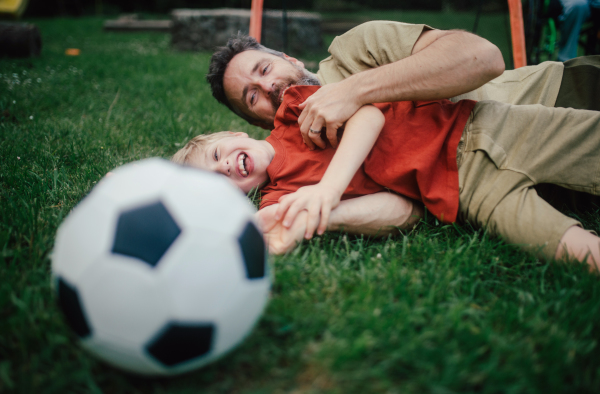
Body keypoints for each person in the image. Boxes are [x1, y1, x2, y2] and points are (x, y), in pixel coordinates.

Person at [173, 85, 600, 270]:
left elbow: (366, 115)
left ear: (232, 134)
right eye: (216, 182)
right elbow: (405, 212)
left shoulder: (292, 114)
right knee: (581, 255)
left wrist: (328, 189)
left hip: (476, 127)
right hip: (465, 194)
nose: (225, 167)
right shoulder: (279, 202)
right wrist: (319, 217)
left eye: (215, 155)